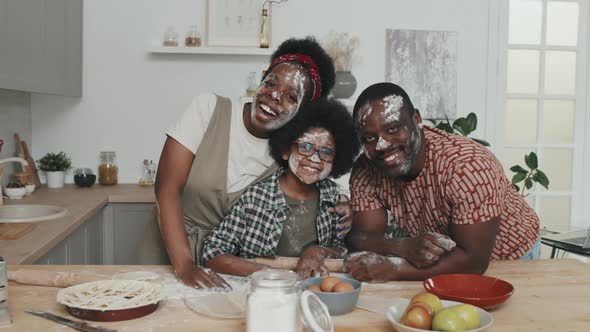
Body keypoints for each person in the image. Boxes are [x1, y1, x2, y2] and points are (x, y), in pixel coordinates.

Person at [153, 37, 352, 289]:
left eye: (291, 96)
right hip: (169, 250)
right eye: (270, 82)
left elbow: (322, 177)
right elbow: (167, 187)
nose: (274, 96)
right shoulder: (209, 109)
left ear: (304, 111)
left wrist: (344, 203)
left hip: (228, 266)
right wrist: (184, 265)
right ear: (261, 78)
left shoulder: (290, 152)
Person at [345, 82, 540, 282]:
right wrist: (402, 247)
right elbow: (360, 238)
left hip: (510, 258)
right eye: (369, 138)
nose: (382, 145)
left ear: (417, 119)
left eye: (393, 128)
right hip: (444, 262)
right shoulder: (366, 169)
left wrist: (395, 270)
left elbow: (473, 262)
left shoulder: (468, 166)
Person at [202, 98, 360, 279]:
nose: (315, 159)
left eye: (326, 152)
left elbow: (341, 250)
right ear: (285, 150)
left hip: (312, 292)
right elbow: (212, 252)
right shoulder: (256, 199)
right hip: (261, 292)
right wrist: (267, 274)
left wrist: (319, 251)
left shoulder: (332, 198)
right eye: (306, 147)